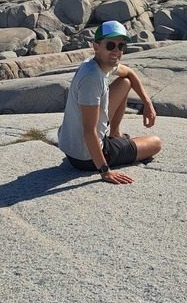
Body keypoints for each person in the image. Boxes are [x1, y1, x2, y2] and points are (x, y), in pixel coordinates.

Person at [58, 20, 162, 184]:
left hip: (73, 146)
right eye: (111, 45)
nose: (116, 51)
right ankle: (112, 144)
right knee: (155, 143)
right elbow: (88, 131)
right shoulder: (92, 78)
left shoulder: (99, 63)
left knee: (125, 82)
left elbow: (129, 73)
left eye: (121, 46)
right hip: (86, 158)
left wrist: (147, 103)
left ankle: (115, 134)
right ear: (96, 46)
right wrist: (105, 171)